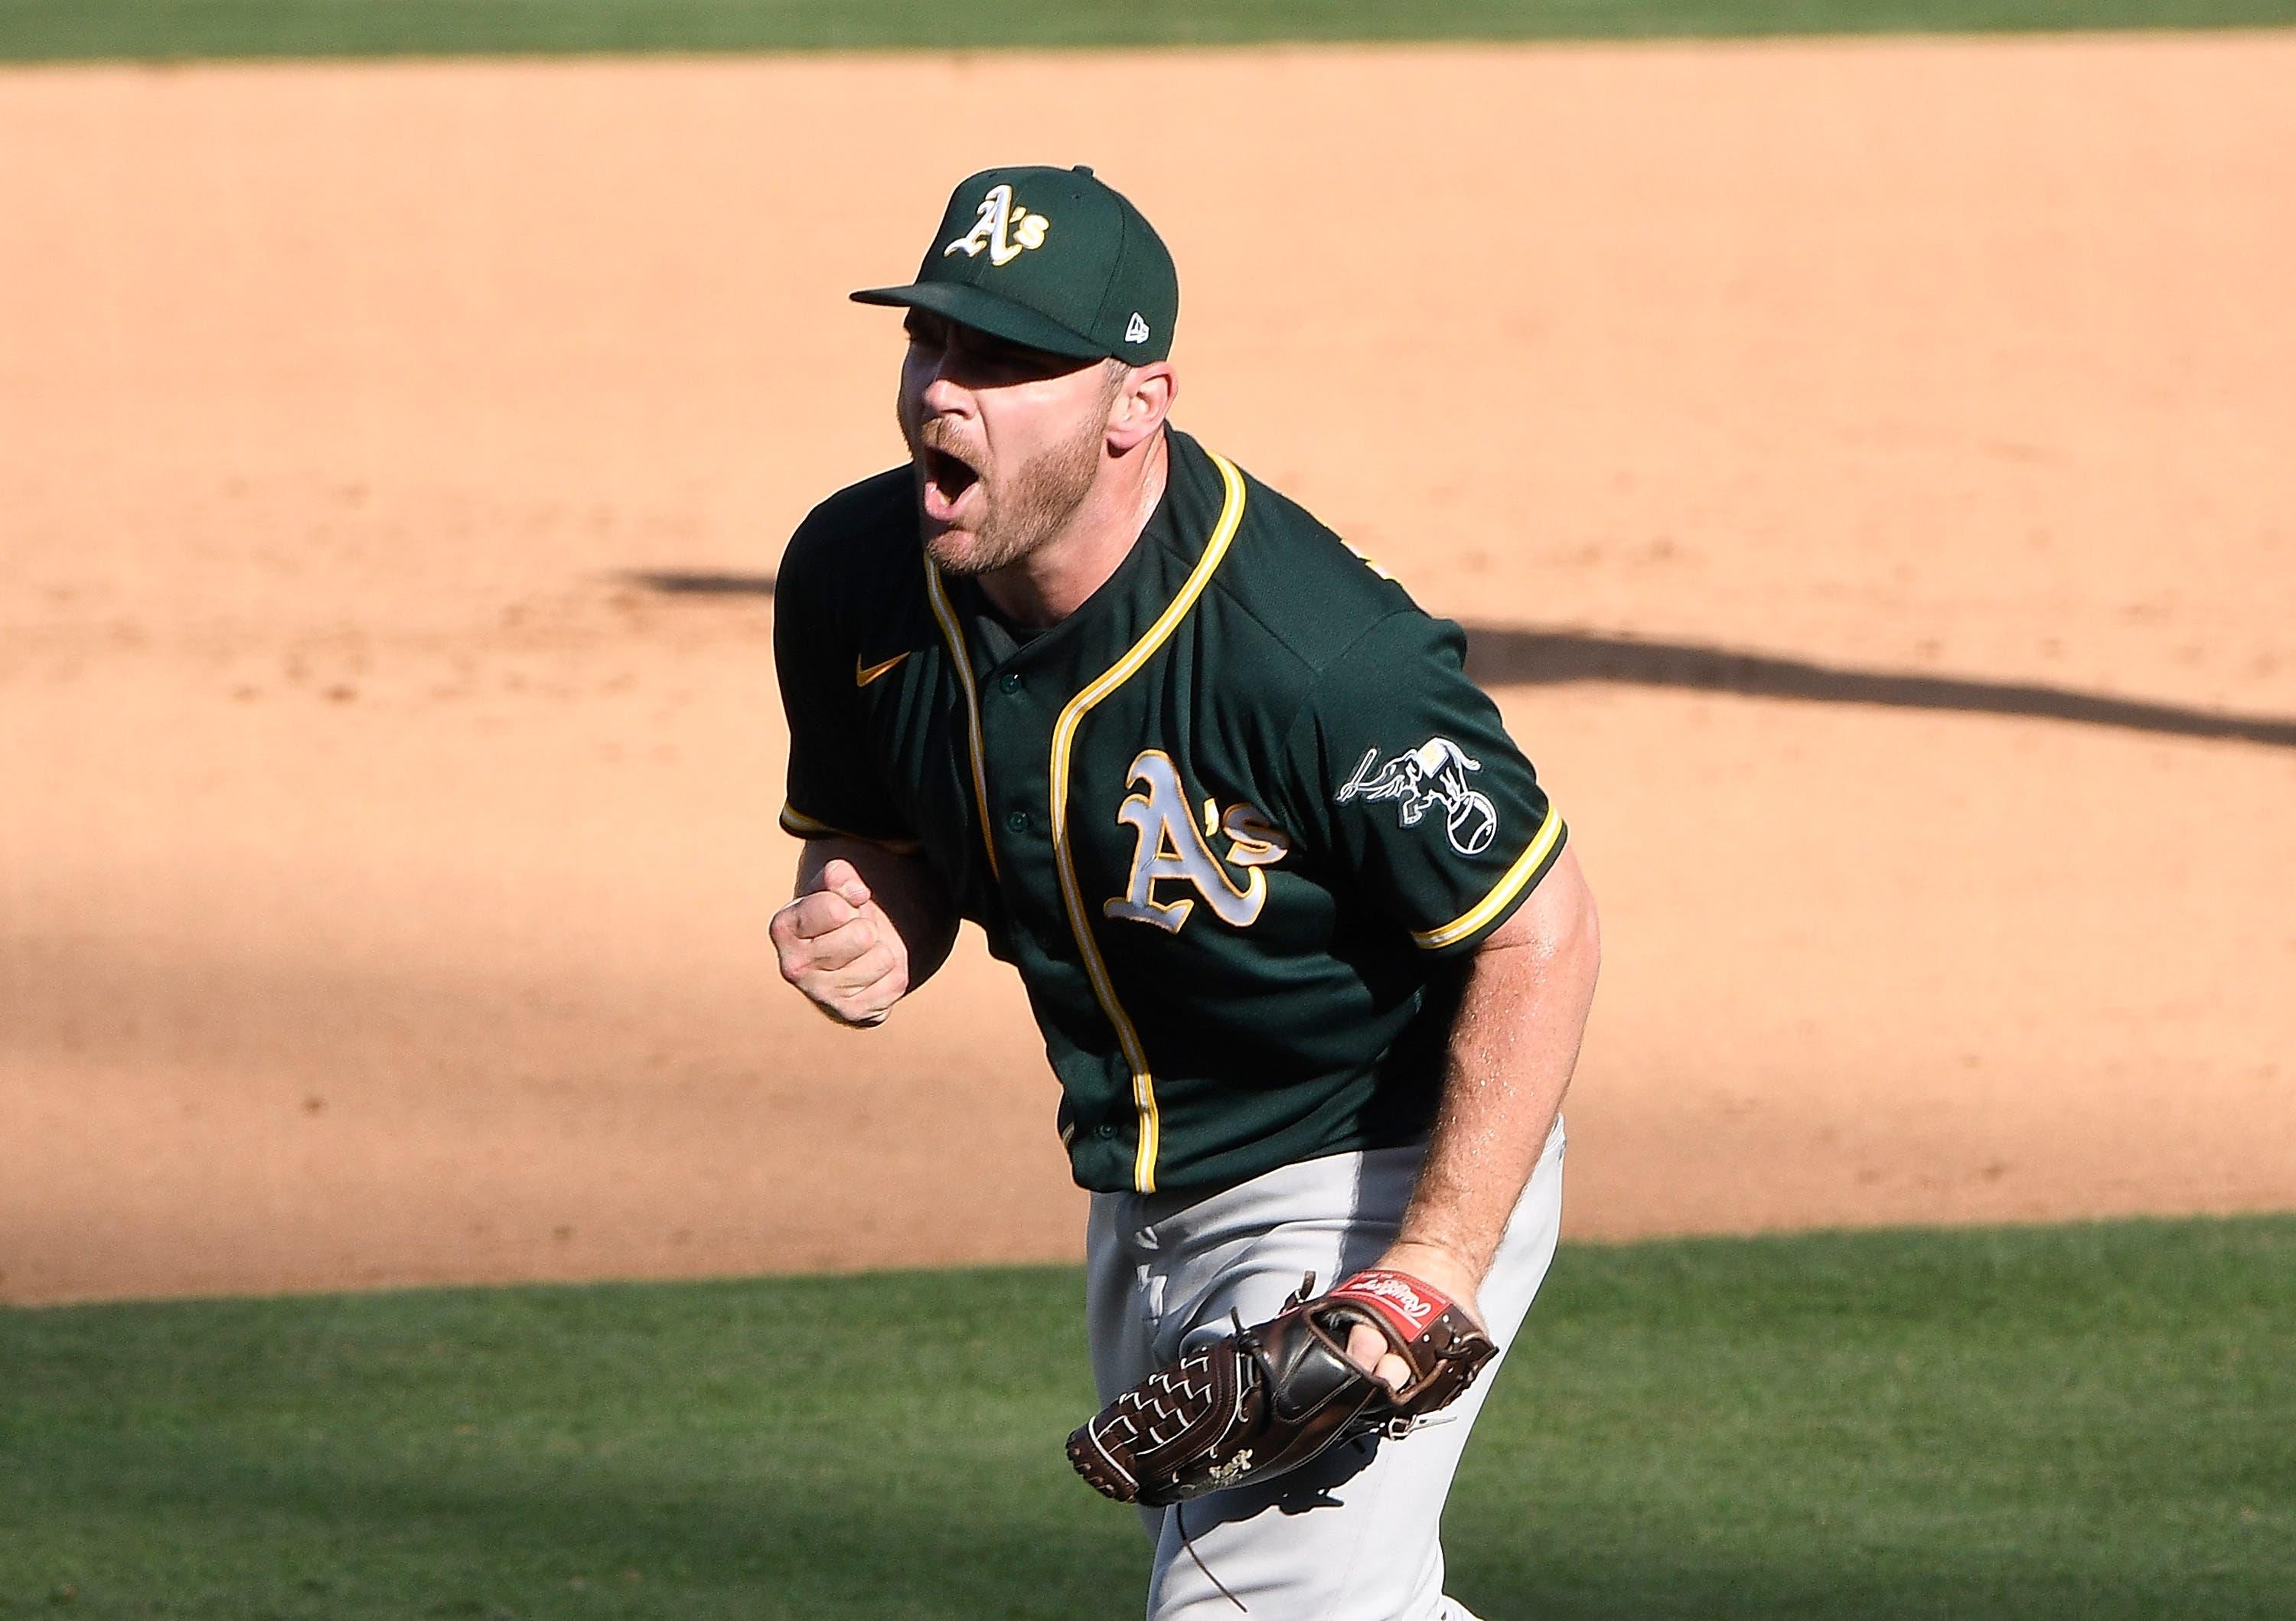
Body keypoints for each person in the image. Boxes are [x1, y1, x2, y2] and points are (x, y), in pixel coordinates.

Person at [768, 164, 1600, 1621]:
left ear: (1133, 406)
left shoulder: (1314, 657)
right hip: (1144, 1197)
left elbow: (1542, 927)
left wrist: (1422, 1277)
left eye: (1008, 361)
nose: (943, 393)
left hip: (1369, 1174)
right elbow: (874, 839)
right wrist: (869, 918)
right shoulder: (854, 576)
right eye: (930, 342)